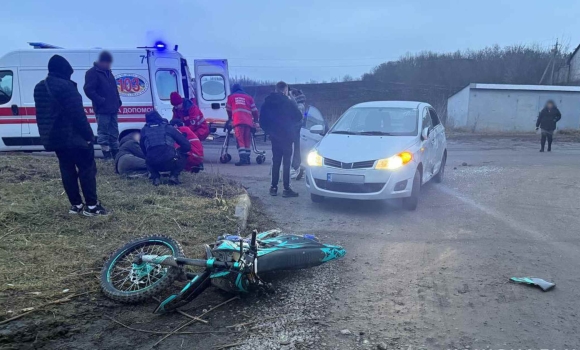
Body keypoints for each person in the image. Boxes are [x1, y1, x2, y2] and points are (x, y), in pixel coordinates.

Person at [34, 54, 108, 216]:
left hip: (56, 138)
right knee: (87, 169)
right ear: (64, 71)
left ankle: (76, 205)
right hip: (74, 137)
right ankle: (92, 206)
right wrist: (89, 136)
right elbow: (78, 116)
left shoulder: (40, 87)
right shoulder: (66, 87)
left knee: (67, 170)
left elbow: (42, 115)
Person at [259, 81, 303, 197]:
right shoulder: (288, 102)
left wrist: (269, 131)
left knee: (276, 161)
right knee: (286, 162)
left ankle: (273, 188)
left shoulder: (267, 102)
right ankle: (286, 189)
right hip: (287, 136)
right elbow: (299, 116)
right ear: (285, 90)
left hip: (274, 136)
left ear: (276, 89)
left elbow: (262, 121)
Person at [83, 51, 122, 160]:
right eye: (107, 63)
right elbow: (88, 90)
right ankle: (106, 154)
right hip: (102, 109)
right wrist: (100, 100)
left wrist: (118, 101)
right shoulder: (92, 73)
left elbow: (115, 89)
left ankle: (116, 154)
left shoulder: (109, 73)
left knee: (114, 132)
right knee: (103, 132)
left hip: (113, 108)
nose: (109, 65)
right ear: (101, 62)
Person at [140, 111, 191, 186]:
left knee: (148, 157)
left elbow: (143, 149)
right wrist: (177, 151)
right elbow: (187, 146)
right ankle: (174, 176)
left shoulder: (144, 130)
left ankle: (156, 177)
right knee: (184, 155)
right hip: (169, 162)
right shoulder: (168, 128)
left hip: (152, 164)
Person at [226, 84, 260, 166]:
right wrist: (256, 120)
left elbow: (228, 110)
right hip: (248, 122)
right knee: (246, 140)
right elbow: (255, 111)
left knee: (240, 140)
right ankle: (247, 158)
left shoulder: (231, 97)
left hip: (238, 121)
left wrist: (230, 118)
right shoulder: (249, 97)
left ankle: (243, 159)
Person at [288, 88, 306, 180]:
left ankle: (296, 169)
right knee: (296, 150)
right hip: (297, 130)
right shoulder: (301, 104)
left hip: (296, 130)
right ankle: (297, 168)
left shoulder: (299, 105)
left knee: (295, 150)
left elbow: (297, 117)